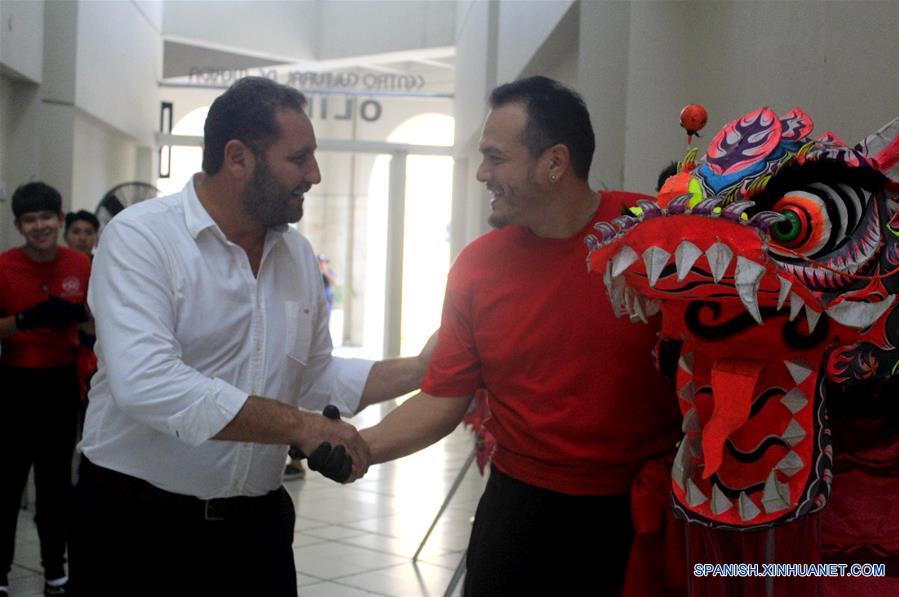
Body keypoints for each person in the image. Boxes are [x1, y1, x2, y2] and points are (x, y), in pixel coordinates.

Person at [69, 77, 432, 597]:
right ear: (238, 158)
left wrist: (421, 368)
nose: (315, 174)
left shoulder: (298, 255)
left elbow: (311, 376)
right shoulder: (141, 238)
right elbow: (147, 383)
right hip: (137, 526)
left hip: (255, 531)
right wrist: (300, 427)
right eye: (299, 158)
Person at [360, 76, 682, 596]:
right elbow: (443, 398)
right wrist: (359, 447)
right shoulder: (477, 267)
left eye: (494, 157)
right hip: (517, 514)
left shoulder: (657, 239)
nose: (481, 173)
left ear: (554, 163)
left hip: (637, 514)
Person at [0, 182, 91, 597]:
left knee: (56, 487)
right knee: (7, 484)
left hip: (61, 385)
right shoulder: (4, 266)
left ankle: (56, 570)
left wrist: (78, 318)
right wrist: (26, 320)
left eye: (47, 218)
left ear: (60, 218)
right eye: (31, 220)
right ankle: (0, 573)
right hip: (14, 384)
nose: (40, 226)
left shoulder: (80, 264)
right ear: (19, 225)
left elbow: (97, 323)